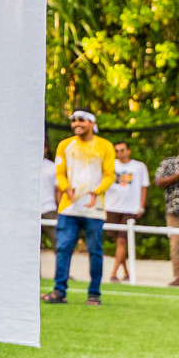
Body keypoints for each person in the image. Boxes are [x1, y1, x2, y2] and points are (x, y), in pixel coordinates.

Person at [43, 109, 116, 305]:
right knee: (63, 247)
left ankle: (94, 294)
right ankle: (59, 292)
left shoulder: (105, 146)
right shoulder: (64, 145)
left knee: (95, 251)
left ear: (92, 123)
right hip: (68, 209)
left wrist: (97, 191)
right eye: (74, 120)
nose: (77, 123)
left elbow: (110, 175)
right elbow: (59, 173)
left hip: (94, 208)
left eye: (81, 119)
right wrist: (66, 189)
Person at [105, 139, 150, 284]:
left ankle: (113, 273)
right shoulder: (109, 165)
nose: (120, 153)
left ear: (128, 151)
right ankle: (126, 271)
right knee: (119, 241)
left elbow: (144, 186)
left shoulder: (138, 166)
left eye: (122, 150)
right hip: (112, 206)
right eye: (117, 150)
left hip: (130, 208)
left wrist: (141, 206)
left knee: (122, 240)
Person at [154, 139, 179, 287]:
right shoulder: (169, 163)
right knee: (177, 247)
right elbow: (159, 183)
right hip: (176, 213)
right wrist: (178, 175)